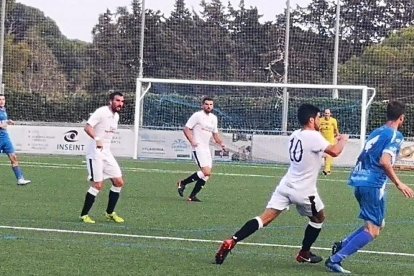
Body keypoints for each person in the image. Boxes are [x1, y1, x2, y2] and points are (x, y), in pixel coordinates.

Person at [215, 103, 349, 265]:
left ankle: (232, 240)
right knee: (319, 218)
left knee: (263, 218)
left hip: (286, 185)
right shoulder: (314, 136)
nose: (321, 120)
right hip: (304, 190)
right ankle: (304, 253)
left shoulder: (295, 135)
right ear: (311, 120)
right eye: (319, 117)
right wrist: (343, 140)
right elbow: (334, 151)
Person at [325, 101, 414, 274]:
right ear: (402, 118)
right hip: (372, 184)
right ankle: (335, 259)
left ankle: (342, 245)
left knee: (377, 224)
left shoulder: (377, 131)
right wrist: (399, 183)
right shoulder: (396, 136)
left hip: (359, 180)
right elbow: (384, 161)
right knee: (373, 230)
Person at [79, 91, 126, 224]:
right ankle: (84, 215)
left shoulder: (115, 116)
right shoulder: (101, 111)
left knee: (119, 182)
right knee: (98, 185)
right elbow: (87, 127)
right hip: (95, 153)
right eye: (117, 101)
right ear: (110, 101)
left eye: (122, 101)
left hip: (106, 153)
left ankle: (110, 213)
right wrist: (97, 139)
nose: (120, 104)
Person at [176, 96, 225, 202]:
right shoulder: (197, 115)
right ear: (203, 105)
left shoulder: (214, 118)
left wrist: (221, 143)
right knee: (206, 171)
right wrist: (192, 140)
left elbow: (215, 134)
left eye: (211, 104)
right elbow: (186, 129)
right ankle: (182, 183)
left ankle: (192, 196)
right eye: (206, 104)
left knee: (207, 175)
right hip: (198, 148)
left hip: (206, 149)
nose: (209, 106)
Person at [0, 95, 31, 185]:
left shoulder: (3, 110)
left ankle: (20, 179)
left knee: (13, 157)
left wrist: (8, 121)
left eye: (3, 99)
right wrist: (7, 122)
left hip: (5, 137)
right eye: (0, 100)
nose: (2, 101)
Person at [319, 108, 340, 175]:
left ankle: (326, 170)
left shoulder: (333, 121)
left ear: (330, 114)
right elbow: (318, 129)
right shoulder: (320, 120)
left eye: (328, 113)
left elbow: (336, 129)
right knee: (323, 155)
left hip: (330, 140)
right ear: (324, 114)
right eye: (326, 113)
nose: (327, 115)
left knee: (329, 155)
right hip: (322, 140)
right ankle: (327, 169)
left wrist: (337, 136)